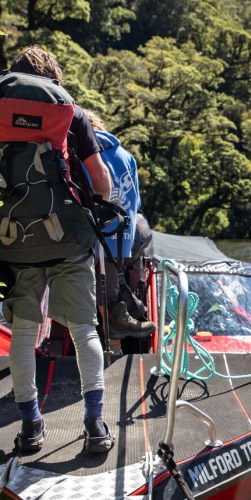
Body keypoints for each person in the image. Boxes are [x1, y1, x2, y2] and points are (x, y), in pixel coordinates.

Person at [0, 45, 114, 455]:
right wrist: (97, 218)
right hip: (69, 241)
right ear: (53, 76)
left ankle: (32, 427)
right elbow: (99, 177)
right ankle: (94, 425)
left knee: (22, 334)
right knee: (83, 330)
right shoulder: (68, 112)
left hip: (12, 241)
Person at [83, 110, 156, 342]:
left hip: (94, 239)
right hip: (128, 237)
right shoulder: (125, 155)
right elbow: (136, 204)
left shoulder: (80, 154)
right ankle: (126, 308)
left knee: (99, 268)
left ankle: (111, 328)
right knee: (116, 266)